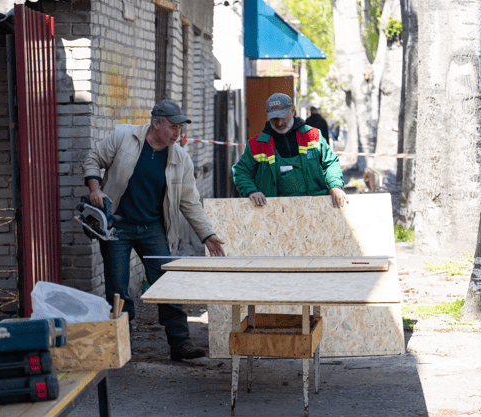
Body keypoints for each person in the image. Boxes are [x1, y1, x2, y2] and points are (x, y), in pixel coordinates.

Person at [83, 99, 225, 361]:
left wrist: (207, 235)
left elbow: (189, 202)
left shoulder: (180, 158)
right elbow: (93, 159)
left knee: (167, 282)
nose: (177, 133)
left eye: (180, 128)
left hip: (153, 228)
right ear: (155, 123)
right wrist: (95, 190)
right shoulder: (123, 138)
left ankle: (180, 344)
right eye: (172, 127)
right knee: (118, 289)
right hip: (117, 226)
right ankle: (121, 346)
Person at [233, 93, 348, 207]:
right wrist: (251, 191)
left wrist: (335, 186)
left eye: (283, 116)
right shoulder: (257, 144)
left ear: (293, 110)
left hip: (315, 208)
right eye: (274, 119)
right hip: (273, 211)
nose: (279, 123)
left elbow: (330, 163)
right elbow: (241, 171)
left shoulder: (313, 136)